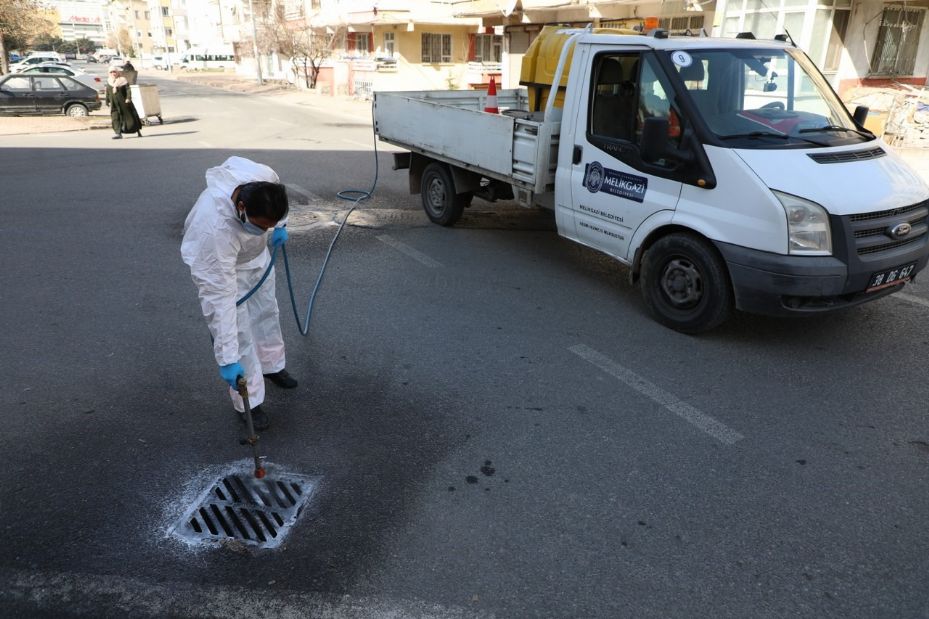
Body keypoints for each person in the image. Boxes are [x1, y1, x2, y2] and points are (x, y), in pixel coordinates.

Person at [181, 157, 297, 431]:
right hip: (224, 268)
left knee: (267, 312)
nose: (263, 231)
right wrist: (227, 359)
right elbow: (218, 303)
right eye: (260, 226)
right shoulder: (212, 229)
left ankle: (272, 365)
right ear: (241, 207)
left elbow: (278, 190)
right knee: (240, 330)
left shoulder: (262, 177)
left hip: (256, 260)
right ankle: (249, 400)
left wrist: (280, 226)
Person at [105, 66, 142, 139]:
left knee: (130, 117)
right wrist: (107, 101)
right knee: (115, 117)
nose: (113, 73)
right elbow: (108, 92)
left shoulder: (123, 80)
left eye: (114, 72)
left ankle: (137, 130)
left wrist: (128, 98)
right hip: (114, 104)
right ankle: (118, 133)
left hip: (124, 103)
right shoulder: (109, 81)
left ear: (117, 72)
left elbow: (128, 89)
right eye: (111, 72)